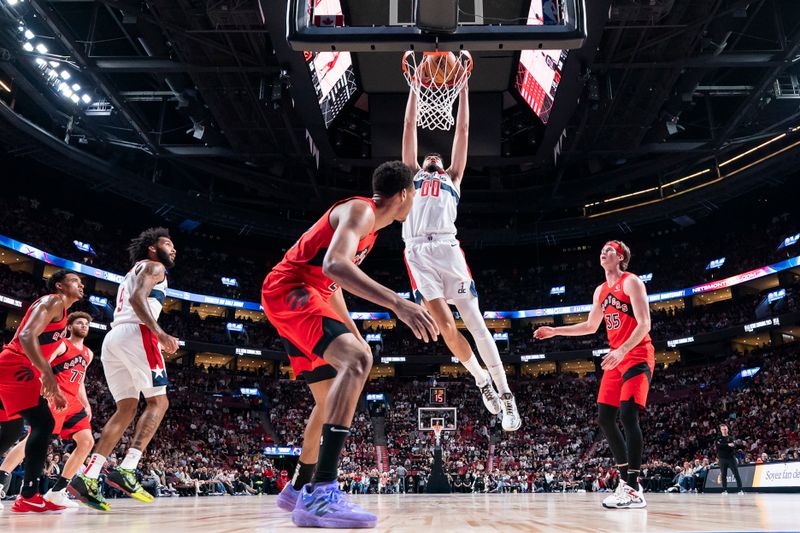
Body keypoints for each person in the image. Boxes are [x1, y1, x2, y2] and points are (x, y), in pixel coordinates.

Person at [263, 160, 438, 528]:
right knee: (358, 360)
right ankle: (322, 491)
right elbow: (334, 266)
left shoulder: (369, 227)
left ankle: (297, 488)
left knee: (331, 396)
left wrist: (353, 332)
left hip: (305, 293)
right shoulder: (362, 210)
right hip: (291, 290)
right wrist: (398, 303)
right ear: (404, 194)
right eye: (416, 195)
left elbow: (334, 284)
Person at [402, 77, 520, 431]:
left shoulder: (453, 176)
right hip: (417, 252)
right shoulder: (411, 176)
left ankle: (505, 392)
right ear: (423, 162)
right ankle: (481, 379)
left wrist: (465, 89)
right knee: (446, 327)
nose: (433, 155)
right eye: (429, 155)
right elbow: (409, 126)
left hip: (448, 249)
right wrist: (414, 87)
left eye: (437, 155)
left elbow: (464, 128)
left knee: (478, 325)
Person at [534, 240, 652, 509]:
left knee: (628, 415)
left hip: (636, 354)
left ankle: (632, 486)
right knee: (604, 417)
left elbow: (645, 323)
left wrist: (621, 351)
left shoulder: (631, 282)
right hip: (616, 358)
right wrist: (555, 331)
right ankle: (627, 484)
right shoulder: (600, 290)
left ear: (620, 256)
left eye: (609, 250)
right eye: (602, 250)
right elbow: (590, 325)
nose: (603, 252)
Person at [69, 228, 179, 510]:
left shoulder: (133, 270)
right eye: (168, 244)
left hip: (113, 338)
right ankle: (128, 468)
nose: (174, 249)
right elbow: (137, 299)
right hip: (138, 334)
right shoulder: (155, 266)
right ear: (153, 249)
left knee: (127, 408)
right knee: (159, 401)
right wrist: (161, 333)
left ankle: (89, 475)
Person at [0, 269, 82, 512]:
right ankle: (28, 494)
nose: (82, 286)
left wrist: (47, 381)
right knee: (43, 423)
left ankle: (28, 494)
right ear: (59, 285)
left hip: (18, 369)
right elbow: (26, 335)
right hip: (16, 365)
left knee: (10, 432)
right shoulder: (52, 301)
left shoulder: (62, 315)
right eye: (76, 281)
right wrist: (48, 376)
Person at [0, 311, 98, 509]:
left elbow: (80, 381)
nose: (84, 326)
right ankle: (1, 481)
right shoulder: (62, 344)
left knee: (87, 442)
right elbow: (43, 362)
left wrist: (86, 403)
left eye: (87, 323)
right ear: (70, 327)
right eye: (80, 322)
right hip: (56, 396)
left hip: (74, 402)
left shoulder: (89, 353)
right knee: (33, 440)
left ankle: (57, 492)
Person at [717, 423, 743, 494]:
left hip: (731, 458)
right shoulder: (718, 438)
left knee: (736, 474)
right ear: (721, 430)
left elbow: (734, 446)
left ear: (727, 429)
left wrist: (724, 446)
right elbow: (718, 447)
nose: (724, 430)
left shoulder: (731, 438)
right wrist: (728, 445)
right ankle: (724, 490)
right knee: (723, 475)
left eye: (725, 429)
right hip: (722, 459)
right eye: (722, 429)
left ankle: (740, 490)